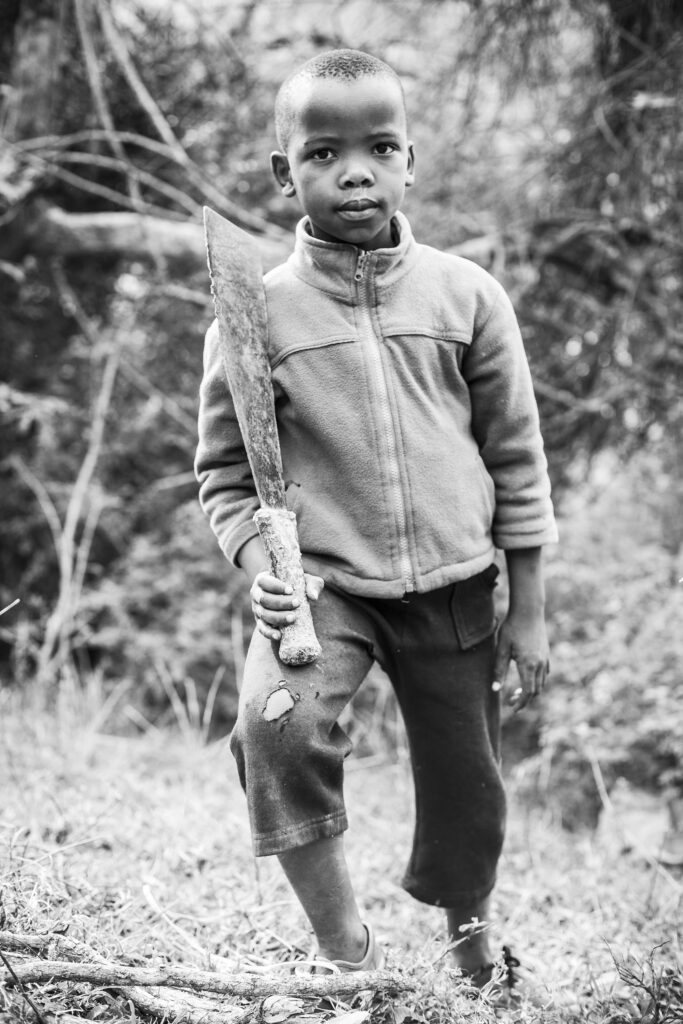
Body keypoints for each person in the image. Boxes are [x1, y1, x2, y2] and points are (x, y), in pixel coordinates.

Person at [195, 48, 558, 992]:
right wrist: (256, 561)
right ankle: (342, 950)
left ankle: (468, 939)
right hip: (321, 593)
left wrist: (528, 606)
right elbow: (226, 476)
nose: (353, 170)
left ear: (409, 162)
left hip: (455, 582)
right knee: (276, 730)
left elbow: (518, 460)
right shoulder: (252, 315)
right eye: (322, 152)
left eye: (378, 147)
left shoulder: (466, 295)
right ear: (285, 174)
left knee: (467, 786)